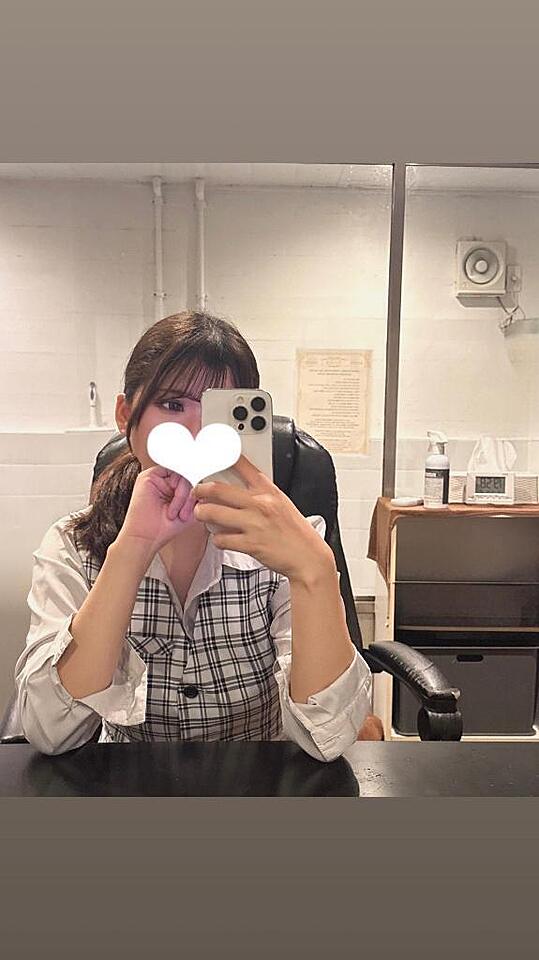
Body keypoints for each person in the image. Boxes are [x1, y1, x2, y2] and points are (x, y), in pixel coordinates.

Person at [14, 311, 375, 758]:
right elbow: (50, 730)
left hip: (258, 781)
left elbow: (328, 738)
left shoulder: (290, 546)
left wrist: (314, 570)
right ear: (126, 415)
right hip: (128, 784)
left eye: (220, 411)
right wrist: (132, 550)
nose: (197, 433)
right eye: (172, 405)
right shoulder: (73, 545)